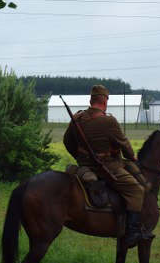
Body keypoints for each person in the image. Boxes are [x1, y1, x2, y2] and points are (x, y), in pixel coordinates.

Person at [63, 85, 154, 249]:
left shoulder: (77, 118)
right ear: (105, 101)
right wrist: (131, 156)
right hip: (108, 168)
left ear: (91, 100)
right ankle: (132, 232)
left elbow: (67, 142)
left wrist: (80, 158)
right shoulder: (108, 121)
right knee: (136, 191)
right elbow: (124, 144)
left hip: (86, 167)